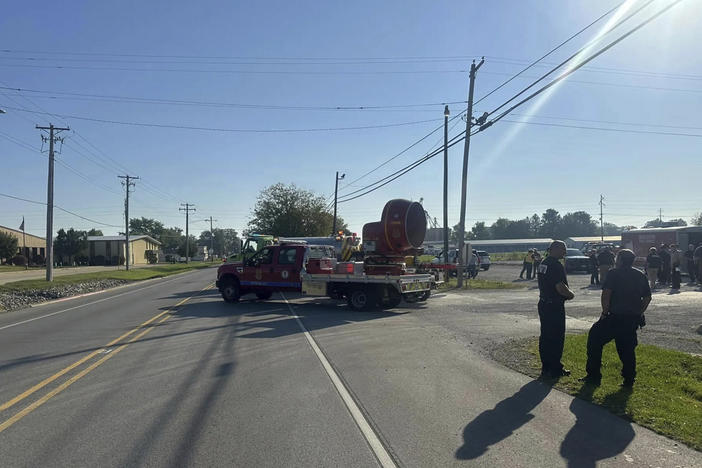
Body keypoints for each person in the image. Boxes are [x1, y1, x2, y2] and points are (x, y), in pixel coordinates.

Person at [581, 249, 651, 387]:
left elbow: (606, 294)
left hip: (614, 317)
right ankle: (629, 379)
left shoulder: (613, 273)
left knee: (594, 340)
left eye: (617, 257)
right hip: (631, 319)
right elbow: (647, 298)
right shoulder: (640, 274)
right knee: (627, 350)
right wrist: (639, 312)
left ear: (620, 260)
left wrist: (604, 313)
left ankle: (593, 375)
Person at [536, 240, 575, 378]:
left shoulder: (544, 263)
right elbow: (560, 287)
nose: (565, 252)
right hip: (554, 305)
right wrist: (570, 295)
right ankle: (555, 368)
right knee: (557, 337)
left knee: (546, 335)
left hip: (544, 303)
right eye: (563, 249)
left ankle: (546, 366)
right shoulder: (555, 265)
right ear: (555, 249)